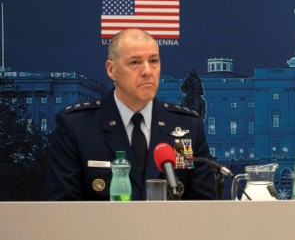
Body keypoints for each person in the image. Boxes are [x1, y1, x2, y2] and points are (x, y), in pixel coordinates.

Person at [43, 28, 215, 200]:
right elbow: (62, 210)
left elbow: (204, 208)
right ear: (111, 70)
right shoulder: (77, 127)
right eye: (135, 62)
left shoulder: (187, 127)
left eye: (154, 61)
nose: (147, 71)